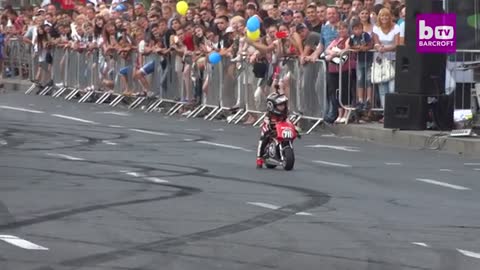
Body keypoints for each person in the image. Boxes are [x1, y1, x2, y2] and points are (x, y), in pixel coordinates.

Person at [256, 91, 296, 168]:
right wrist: (269, 125)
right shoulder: (269, 114)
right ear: (272, 106)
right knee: (263, 138)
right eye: (280, 105)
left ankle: (285, 152)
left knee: (290, 137)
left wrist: (294, 127)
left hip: (282, 131)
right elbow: (266, 121)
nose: (282, 107)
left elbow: (288, 121)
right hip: (272, 130)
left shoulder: (285, 113)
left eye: (283, 105)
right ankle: (259, 158)